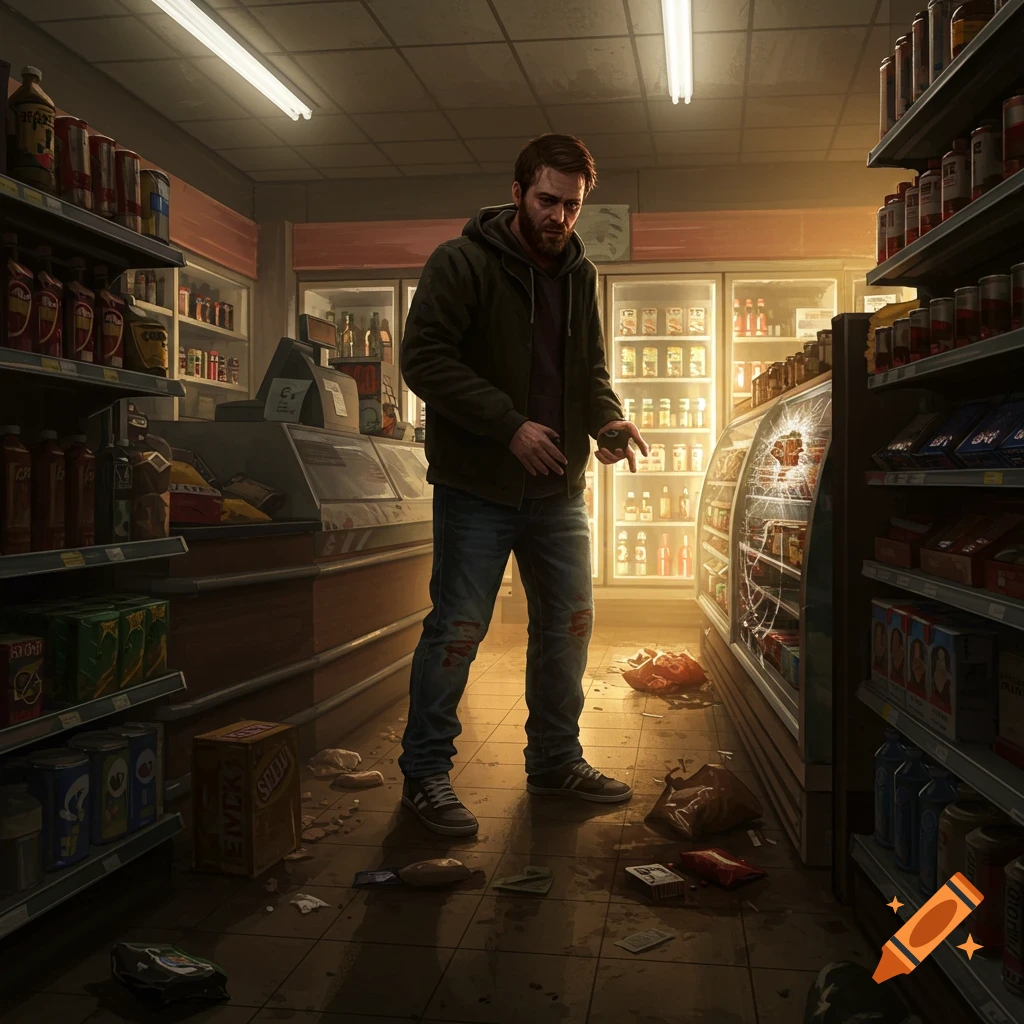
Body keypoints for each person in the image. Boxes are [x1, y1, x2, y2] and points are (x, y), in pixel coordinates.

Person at [398, 134, 648, 836]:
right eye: (547, 201)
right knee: (458, 630)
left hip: (559, 495)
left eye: (572, 206)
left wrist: (607, 422)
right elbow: (423, 359)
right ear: (516, 193)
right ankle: (424, 775)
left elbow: (589, 371)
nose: (559, 218)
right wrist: (508, 425)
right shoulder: (460, 263)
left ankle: (554, 762)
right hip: (477, 488)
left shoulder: (581, 275)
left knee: (568, 628)